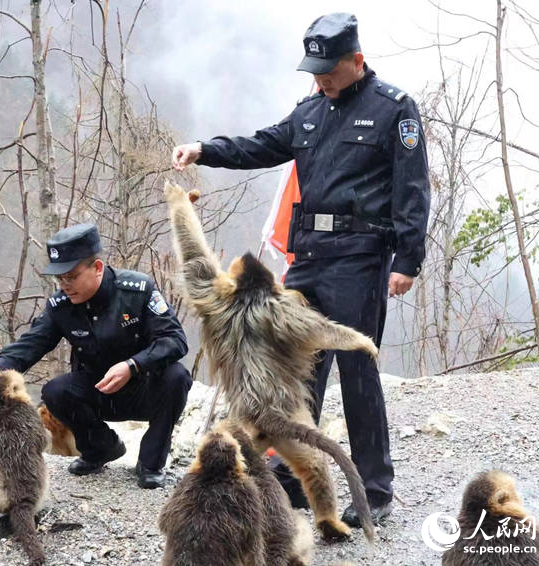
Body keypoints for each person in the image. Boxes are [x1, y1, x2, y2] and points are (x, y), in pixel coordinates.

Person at [171, 12, 430, 526]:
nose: (320, 80)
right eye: (314, 71)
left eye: (329, 70)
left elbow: (413, 188)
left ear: (356, 60)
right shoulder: (310, 111)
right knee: (297, 371)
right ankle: (293, 472)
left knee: (357, 372)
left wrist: (408, 260)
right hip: (307, 256)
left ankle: (374, 489)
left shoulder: (393, 110)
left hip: (360, 257)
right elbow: (261, 145)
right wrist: (205, 149)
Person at [0, 223, 191, 489]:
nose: (65, 285)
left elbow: (174, 340)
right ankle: (100, 449)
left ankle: (151, 463)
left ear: (96, 268)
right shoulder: (61, 306)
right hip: (98, 391)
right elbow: (31, 343)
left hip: (144, 389)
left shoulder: (137, 291)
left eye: (71, 277)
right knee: (55, 391)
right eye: (59, 279)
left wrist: (133, 365)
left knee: (177, 376)